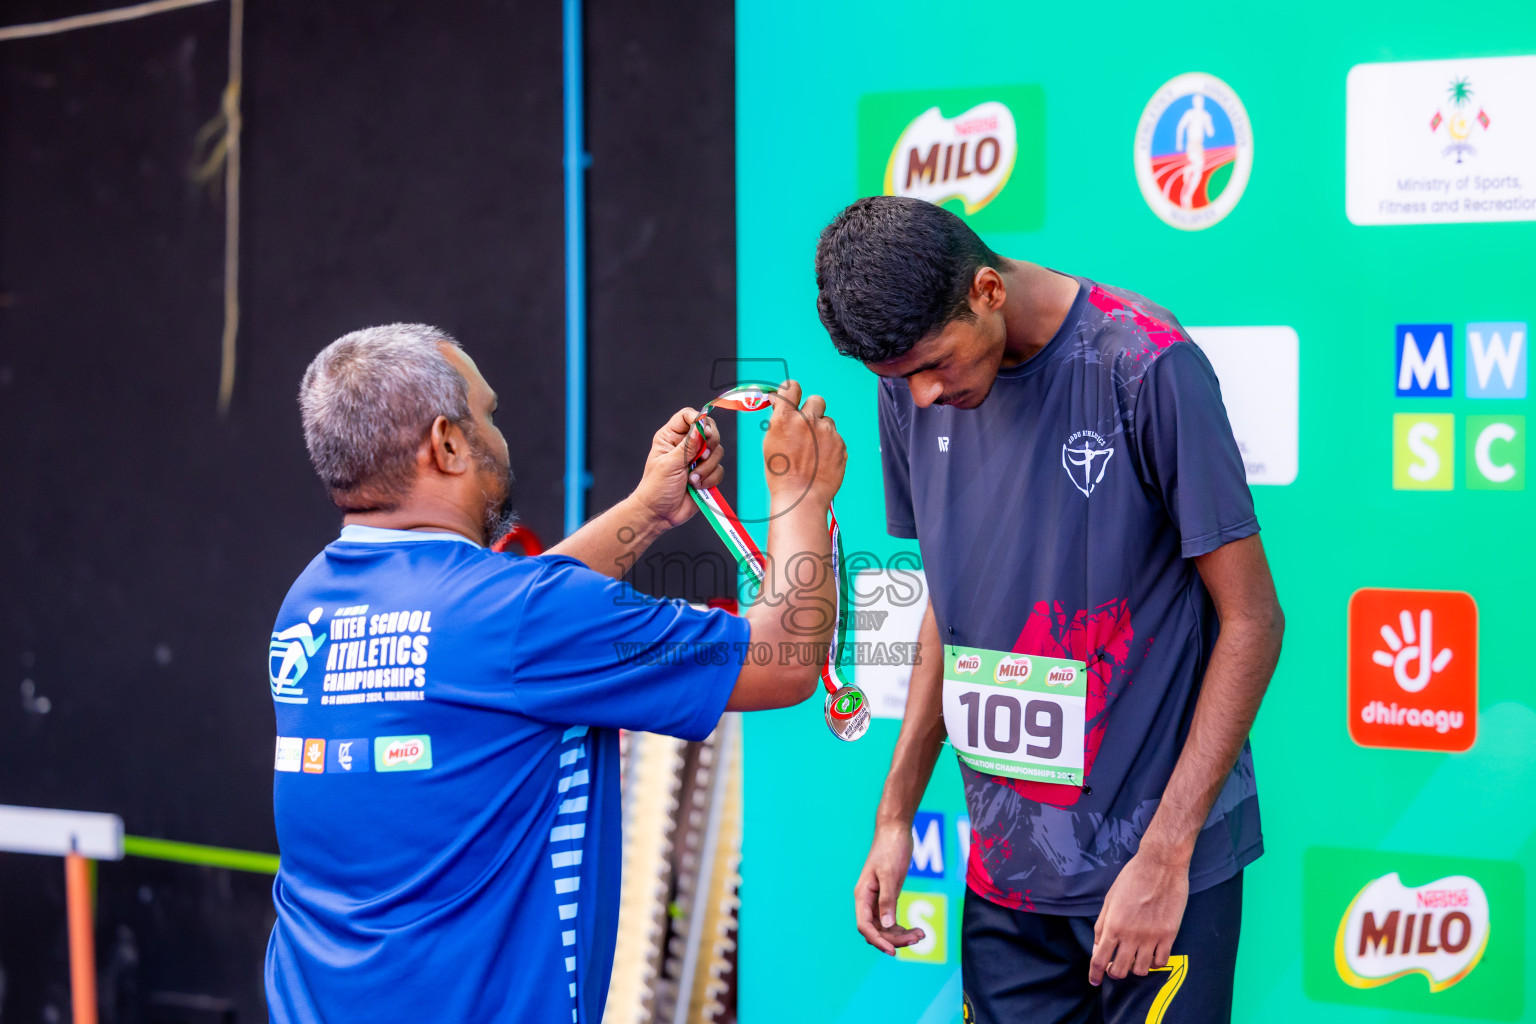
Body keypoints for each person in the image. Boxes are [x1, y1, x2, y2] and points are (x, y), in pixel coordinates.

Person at [265, 323, 845, 1022]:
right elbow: (783, 662)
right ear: (447, 444)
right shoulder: (519, 616)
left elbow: (511, 632)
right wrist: (800, 500)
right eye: (489, 414)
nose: (499, 436)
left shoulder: (310, 602)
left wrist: (648, 512)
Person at [816, 197, 1283, 1024]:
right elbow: (946, 603)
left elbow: (1252, 621)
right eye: (899, 381)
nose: (921, 398)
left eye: (934, 365)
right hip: (1006, 876)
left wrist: (1166, 858)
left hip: (1152, 877)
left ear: (988, 290)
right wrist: (896, 814)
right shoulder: (910, 390)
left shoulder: (1146, 362)